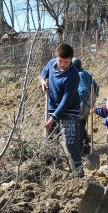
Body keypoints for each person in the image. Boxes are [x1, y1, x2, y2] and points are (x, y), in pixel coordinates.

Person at [39, 43, 83, 176]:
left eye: (66, 62)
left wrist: (53, 118)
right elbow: (43, 72)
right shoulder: (51, 63)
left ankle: (79, 174)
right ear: (56, 57)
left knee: (71, 143)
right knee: (50, 141)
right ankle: (52, 172)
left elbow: (66, 100)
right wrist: (42, 81)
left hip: (69, 111)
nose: (63, 65)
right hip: (51, 107)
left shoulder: (73, 75)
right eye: (60, 61)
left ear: (71, 60)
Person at [74, 58, 99, 157]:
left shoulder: (79, 75)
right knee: (82, 124)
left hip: (82, 105)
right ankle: (85, 146)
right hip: (89, 104)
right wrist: (92, 98)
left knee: (78, 125)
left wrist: (74, 100)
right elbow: (96, 87)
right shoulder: (85, 73)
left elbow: (83, 90)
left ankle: (81, 149)